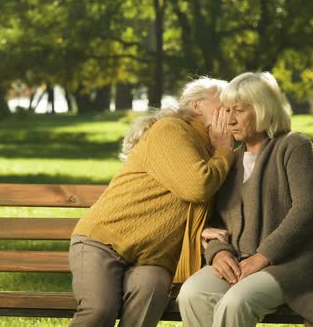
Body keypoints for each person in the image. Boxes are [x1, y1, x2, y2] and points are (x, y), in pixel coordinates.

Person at [68, 77, 235, 327]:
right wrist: (225, 149)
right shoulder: (172, 130)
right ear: (198, 106)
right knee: (99, 310)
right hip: (103, 241)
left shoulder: (214, 155)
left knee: (150, 296)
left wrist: (200, 229)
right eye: (224, 102)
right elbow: (196, 186)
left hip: (153, 259)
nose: (230, 110)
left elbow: (189, 205)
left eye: (235, 107)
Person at [177, 72, 313, 327]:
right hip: (241, 261)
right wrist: (218, 253)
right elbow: (216, 219)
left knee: (236, 303)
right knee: (192, 294)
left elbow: (307, 209)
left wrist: (263, 256)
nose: (230, 120)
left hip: (292, 265)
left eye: (238, 111)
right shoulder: (231, 159)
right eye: (226, 110)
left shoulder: (294, 146)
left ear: (263, 109)